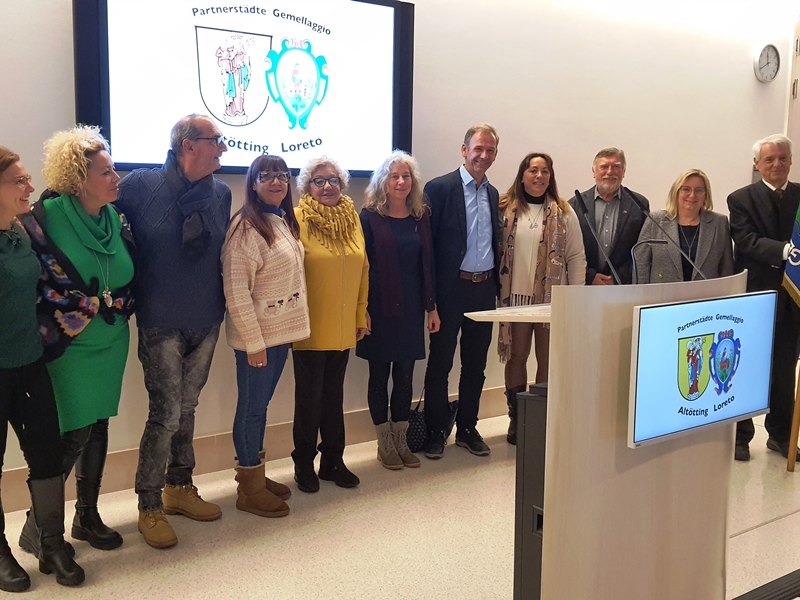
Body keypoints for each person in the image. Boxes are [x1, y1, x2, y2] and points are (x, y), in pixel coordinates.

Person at [19, 126, 134, 565]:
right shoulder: (44, 217)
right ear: (80, 179)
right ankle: (40, 527)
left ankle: (87, 516)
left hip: (111, 338)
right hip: (69, 346)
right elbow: (33, 282)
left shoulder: (116, 218)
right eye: (106, 172)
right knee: (73, 432)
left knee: (99, 422)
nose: (116, 177)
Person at [115, 114, 231, 548]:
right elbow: (101, 220)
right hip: (159, 320)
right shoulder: (139, 186)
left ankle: (180, 487)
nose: (222, 147)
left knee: (189, 406)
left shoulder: (220, 194)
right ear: (188, 145)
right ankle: (149, 505)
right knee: (165, 412)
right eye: (215, 140)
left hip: (206, 319)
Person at [0, 147, 84, 590]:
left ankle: (52, 544)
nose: (28, 188)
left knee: (48, 455)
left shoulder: (21, 233)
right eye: (18, 181)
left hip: (29, 363)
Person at [222, 155, 310, 516]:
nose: (276, 181)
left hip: (280, 335)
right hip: (257, 341)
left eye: (282, 175)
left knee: (261, 408)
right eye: (267, 175)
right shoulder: (245, 228)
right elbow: (236, 289)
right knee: (252, 410)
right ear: (253, 183)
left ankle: (255, 476)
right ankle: (249, 490)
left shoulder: (281, 221)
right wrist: (254, 342)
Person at [355, 151, 440, 470]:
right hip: (376, 308)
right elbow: (362, 267)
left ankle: (401, 439)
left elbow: (427, 264)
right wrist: (361, 310)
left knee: (405, 375)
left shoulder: (421, 216)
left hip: (411, 309)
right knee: (378, 375)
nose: (401, 181)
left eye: (406, 176)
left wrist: (431, 309)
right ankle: (384, 443)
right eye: (394, 176)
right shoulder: (369, 216)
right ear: (383, 182)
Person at [423, 124, 502, 459]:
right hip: (450, 290)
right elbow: (428, 250)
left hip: (483, 291)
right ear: (464, 149)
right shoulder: (439, 189)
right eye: (477, 149)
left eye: (489, 151)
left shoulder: (493, 193)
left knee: (476, 365)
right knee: (440, 363)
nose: (482, 156)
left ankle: (468, 428)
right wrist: (432, 303)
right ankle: (436, 431)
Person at [291, 156, 369, 493]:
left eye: (334, 180)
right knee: (309, 400)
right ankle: (303, 464)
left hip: (343, 326)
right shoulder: (294, 219)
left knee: (334, 398)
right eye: (319, 181)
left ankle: (332, 462)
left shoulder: (352, 219)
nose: (327, 186)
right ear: (306, 187)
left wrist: (360, 312)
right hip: (308, 326)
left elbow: (363, 268)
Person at [497, 153, 586, 445]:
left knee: (547, 360)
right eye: (533, 170)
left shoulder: (565, 211)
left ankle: (541, 417)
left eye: (545, 171)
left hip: (552, 301)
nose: (539, 176)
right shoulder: (505, 208)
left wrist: (574, 299)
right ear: (522, 175)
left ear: (551, 177)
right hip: (517, 301)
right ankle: (517, 418)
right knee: (517, 356)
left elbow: (576, 257)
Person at [728, 134, 800, 462]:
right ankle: (741, 435)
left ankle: (782, 436)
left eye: (782, 158)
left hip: (793, 296)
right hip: (755, 295)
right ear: (757, 164)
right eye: (769, 159)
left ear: (790, 160)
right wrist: (785, 251)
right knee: (746, 367)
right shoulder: (740, 198)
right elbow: (746, 240)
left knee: (784, 370)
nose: (776, 165)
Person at [634, 169, 733, 284]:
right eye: (686, 189)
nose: (692, 195)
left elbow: (726, 268)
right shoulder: (655, 220)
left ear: (706, 195)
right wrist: (642, 295)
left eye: (699, 190)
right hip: (663, 297)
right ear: (676, 192)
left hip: (705, 298)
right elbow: (641, 264)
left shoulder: (719, 223)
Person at [570, 148, 649, 285]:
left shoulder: (639, 204)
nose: (610, 172)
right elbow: (569, 250)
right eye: (604, 167)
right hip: (584, 286)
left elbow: (643, 251)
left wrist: (618, 277)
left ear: (623, 172)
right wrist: (590, 276)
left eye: (616, 167)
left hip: (623, 287)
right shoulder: (575, 204)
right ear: (594, 171)